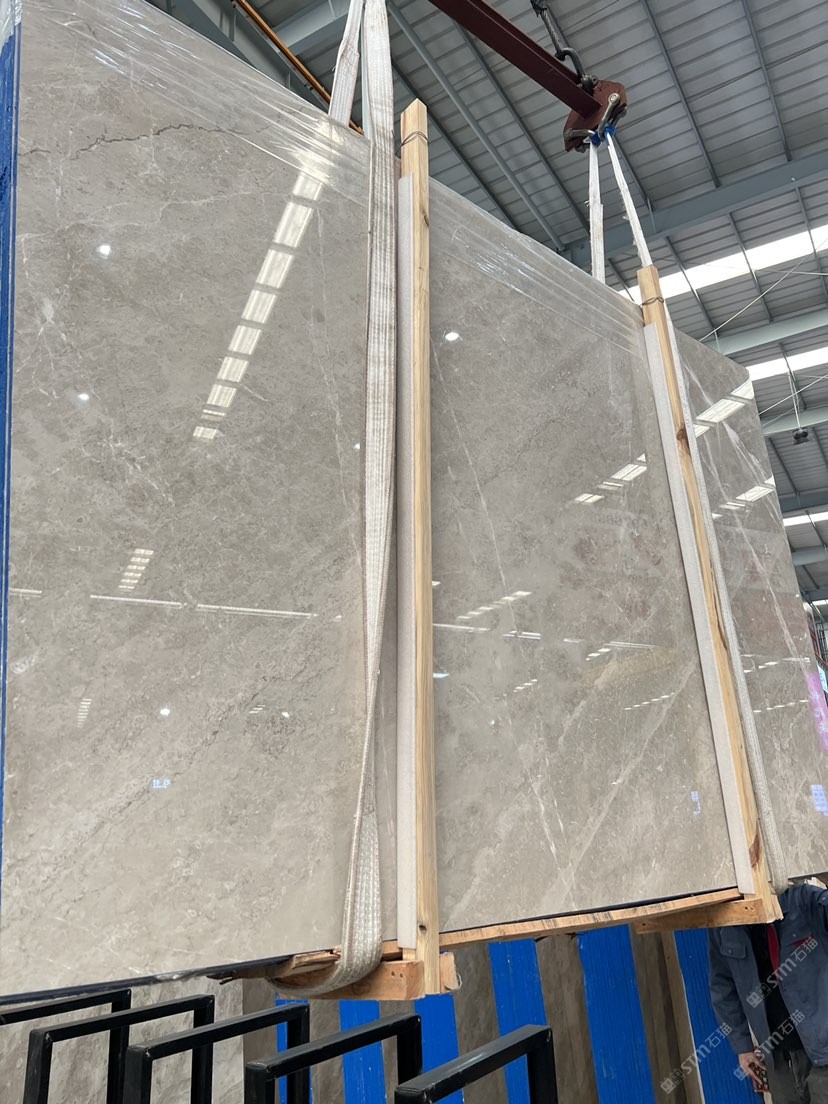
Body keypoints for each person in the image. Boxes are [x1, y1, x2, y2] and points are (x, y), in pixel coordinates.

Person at [708, 882, 828, 1102]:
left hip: (823, 1053)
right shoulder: (725, 925)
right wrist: (742, 1046)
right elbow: (722, 986)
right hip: (777, 1062)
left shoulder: (804, 900)